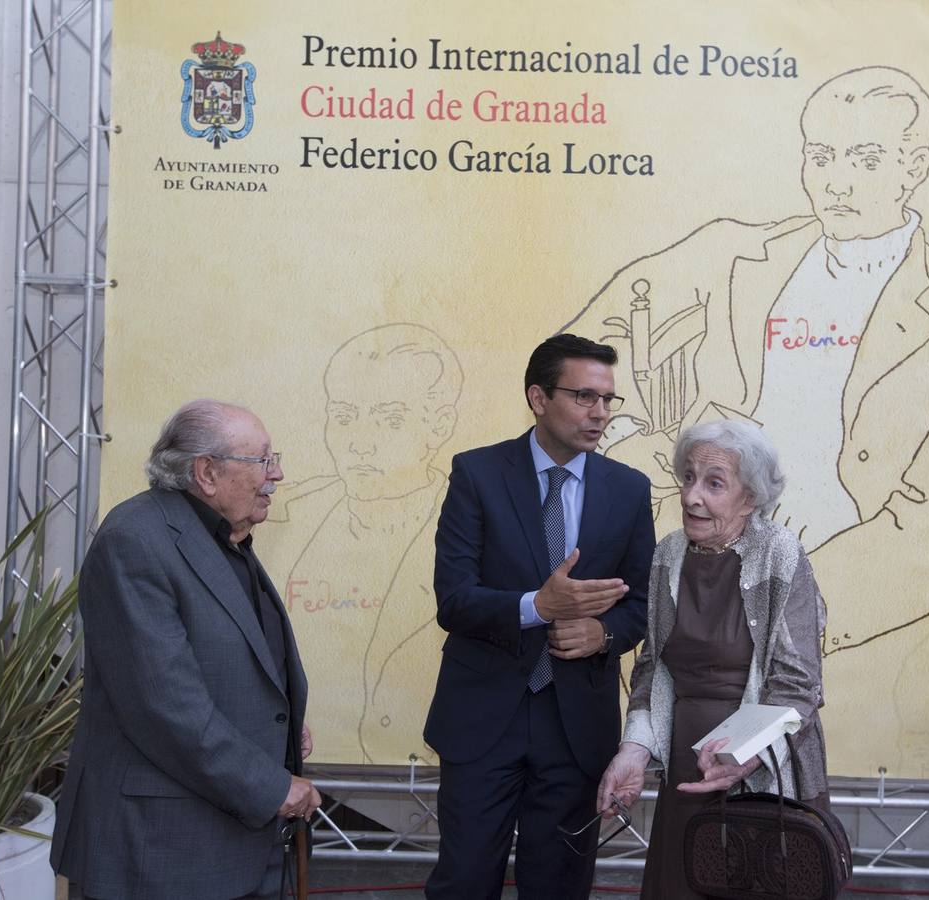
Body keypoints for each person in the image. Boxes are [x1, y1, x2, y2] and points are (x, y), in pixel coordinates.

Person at [562, 65, 929, 656]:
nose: (836, 182)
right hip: (681, 566)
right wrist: (623, 435)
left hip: (815, 615)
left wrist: (777, 614)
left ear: (914, 169)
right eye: (821, 155)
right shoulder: (733, 252)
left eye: (865, 160)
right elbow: (588, 344)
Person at [51, 400, 321, 900]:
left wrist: (277, 724)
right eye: (262, 460)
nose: (277, 474)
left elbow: (226, 661)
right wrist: (272, 786)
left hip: (227, 840)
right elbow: (165, 704)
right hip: (159, 850)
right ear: (207, 472)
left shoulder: (222, 536)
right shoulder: (135, 539)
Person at [424, 334, 657, 900]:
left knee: (558, 885)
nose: (599, 412)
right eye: (583, 397)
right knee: (464, 880)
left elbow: (643, 605)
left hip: (576, 724)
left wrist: (604, 634)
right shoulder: (477, 474)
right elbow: (453, 599)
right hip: (483, 719)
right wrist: (537, 607)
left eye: (608, 400)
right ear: (537, 397)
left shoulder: (629, 490)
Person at [596, 419, 829, 899]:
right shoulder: (668, 556)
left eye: (713, 482)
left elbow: (797, 684)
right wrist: (634, 750)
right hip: (690, 767)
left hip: (763, 770)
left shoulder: (781, 555)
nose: (691, 496)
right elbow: (651, 666)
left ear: (749, 498)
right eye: (688, 477)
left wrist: (744, 755)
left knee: (752, 880)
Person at [274, 323, 462, 763]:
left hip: (430, 765)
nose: (359, 443)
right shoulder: (283, 518)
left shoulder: (480, 525)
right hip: (303, 764)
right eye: (343, 417)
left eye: (389, 419)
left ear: (440, 426)